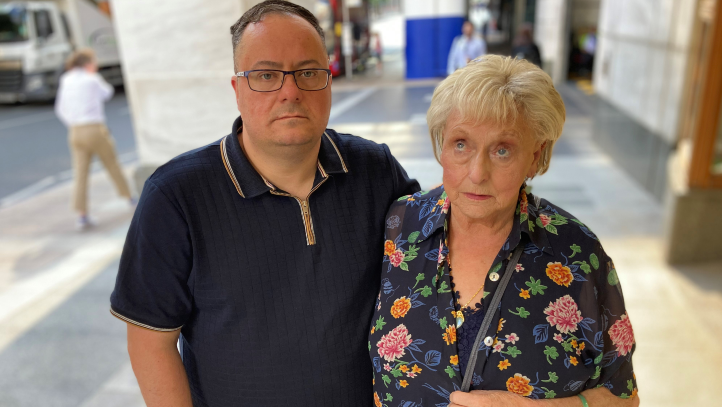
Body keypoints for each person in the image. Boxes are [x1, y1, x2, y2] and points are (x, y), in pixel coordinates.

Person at [109, 1, 419, 406]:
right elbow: (151, 341)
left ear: (328, 80)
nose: (289, 91)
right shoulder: (175, 196)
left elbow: (439, 265)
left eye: (308, 72)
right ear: (237, 90)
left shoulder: (376, 171)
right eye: (266, 75)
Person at [369, 55, 639, 407]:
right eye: (461, 144)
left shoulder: (577, 254)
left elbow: (624, 397)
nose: (478, 173)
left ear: (535, 156)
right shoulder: (401, 225)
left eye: (502, 150)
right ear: (441, 146)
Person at [54, 49, 134, 230]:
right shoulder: (93, 79)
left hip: (75, 130)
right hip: (94, 128)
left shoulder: (66, 79)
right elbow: (108, 93)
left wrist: (74, 122)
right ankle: (130, 198)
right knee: (112, 164)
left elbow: (60, 108)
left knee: (80, 173)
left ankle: (82, 215)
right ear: (88, 64)